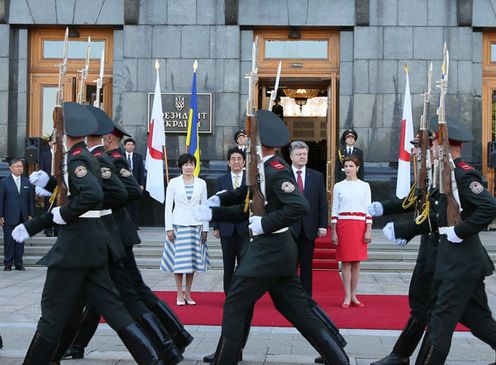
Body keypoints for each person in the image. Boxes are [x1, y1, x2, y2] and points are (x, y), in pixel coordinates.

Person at [12, 102, 166, 365]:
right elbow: (85, 193)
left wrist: (63, 214)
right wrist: (51, 186)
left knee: (51, 310)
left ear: (65, 133)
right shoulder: (85, 155)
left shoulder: (78, 158)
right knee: (115, 311)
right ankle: (155, 359)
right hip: (94, 245)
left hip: (75, 248)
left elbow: (92, 195)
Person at [193, 110, 349, 365]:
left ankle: (226, 359)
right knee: (295, 308)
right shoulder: (262, 168)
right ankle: (336, 355)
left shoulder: (275, 170)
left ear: (258, 143)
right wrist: (215, 206)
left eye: (250, 138)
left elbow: (299, 206)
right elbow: (246, 200)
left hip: (269, 251)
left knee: (235, 301)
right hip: (276, 251)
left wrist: (265, 223)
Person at [51, 105, 183, 365]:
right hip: (107, 235)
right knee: (96, 297)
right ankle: (75, 346)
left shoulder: (102, 158)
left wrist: (98, 207)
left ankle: (171, 344)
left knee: (128, 296)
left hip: (112, 233)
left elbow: (127, 192)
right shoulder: (97, 157)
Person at [384, 116, 496, 364]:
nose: (430, 147)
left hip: (462, 264)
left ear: (443, 145)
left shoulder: (463, 176)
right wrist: (405, 230)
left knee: (439, 324)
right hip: (456, 264)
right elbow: (436, 216)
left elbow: (489, 208)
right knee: (478, 320)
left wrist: (460, 231)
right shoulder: (445, 175)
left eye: (434, 143)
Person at [161, 153, 210, 306]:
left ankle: (188, 294)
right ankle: (179, 294)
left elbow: (205, 206)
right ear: (180, 166)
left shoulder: (201, 183)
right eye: (186, 164)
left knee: (192, 264)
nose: (189, 167)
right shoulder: (173, 183)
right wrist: (168, 228)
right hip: (178, 226)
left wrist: (205, 229)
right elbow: (168, 207)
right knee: (179, 263)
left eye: (191, 164)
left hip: (196, 226)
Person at [331, 155, 372, 308]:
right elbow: (335, 209)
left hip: (360, 225)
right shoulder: (338, 186)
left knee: (356, 263)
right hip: (344, 225)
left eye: (351, 166)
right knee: (345, 262)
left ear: (357, 168)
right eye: (346, 166)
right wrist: (334, 231)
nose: (348, 169)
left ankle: (354, 295)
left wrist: (368, 230)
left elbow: (369, 209)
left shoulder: (365, 186)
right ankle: (347, 296)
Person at [289, 140, 328, 296]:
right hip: (289, 228)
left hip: (309, 228)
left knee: (306, 266)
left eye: (305, 154)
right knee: (290, 266)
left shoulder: (316, 176)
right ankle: (291, 296)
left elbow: (322, 202)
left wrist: (322, 225)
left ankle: (306, 297)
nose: (302, 157)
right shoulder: (283, 175)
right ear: (291, 156)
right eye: (299, 154)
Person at [213, 147, 248, 295]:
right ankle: (229, 295)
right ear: (228, 162)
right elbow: (217, 204)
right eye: (233, 159)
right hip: (226, 228)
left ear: (244, 161)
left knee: (244, 264)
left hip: (245, 228)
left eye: (239, 159)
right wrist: (216, 226)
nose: (236, 162)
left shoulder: (251, 180)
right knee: (228, 265)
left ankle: (242, 294)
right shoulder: (221, 180)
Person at [0, 158, 34, 271]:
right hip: (8, 216)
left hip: (22, 216)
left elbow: (31, 200)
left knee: (20, 241)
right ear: (10, 168)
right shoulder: (4, 182)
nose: (20, 168)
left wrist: (30, 214)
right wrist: (1, 216)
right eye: (17, 166)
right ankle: (8, 263)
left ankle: (19, 263)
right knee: (9, 241)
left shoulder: (27, 182)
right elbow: (1, 201)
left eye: (21, 166)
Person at [124, 137, 144, 230]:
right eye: (128, 144)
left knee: (135, 205)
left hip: (135, 184)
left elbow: (141, 171)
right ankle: (125, 223)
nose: (130, 146)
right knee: (124, 205)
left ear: (134, 146)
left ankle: (135, 224)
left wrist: (141, 184)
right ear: (124, 146)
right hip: (123, 185)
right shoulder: (121, 156)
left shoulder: (138, 157)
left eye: (132, 145)